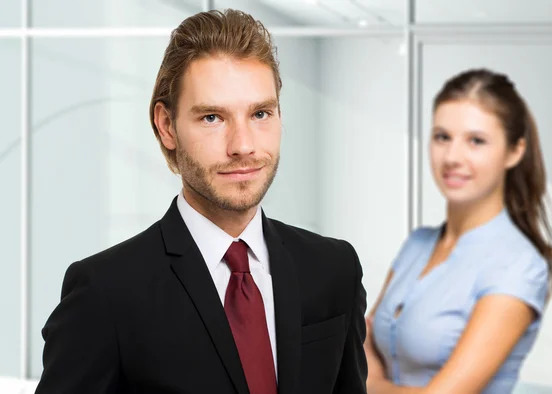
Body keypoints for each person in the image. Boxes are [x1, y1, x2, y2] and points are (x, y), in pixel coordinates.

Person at [35, 9, 367, 394]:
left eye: (260, 113)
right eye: (212, 117)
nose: (243, 146)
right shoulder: (105, 293)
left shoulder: (333, 270)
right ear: (166, 125)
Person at [365, 68, 552, 394]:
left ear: (514, 151)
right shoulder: (416, 244)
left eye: (476, 141)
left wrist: (368, 384)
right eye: (442, 137)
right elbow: (359, 342)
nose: (453, 157)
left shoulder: (518, 266)